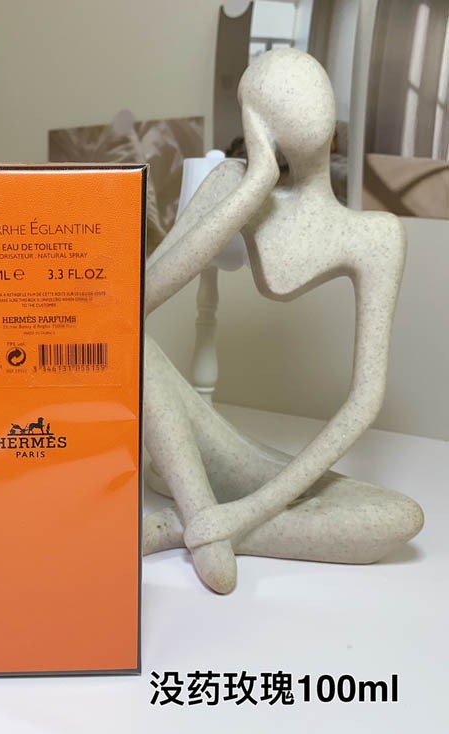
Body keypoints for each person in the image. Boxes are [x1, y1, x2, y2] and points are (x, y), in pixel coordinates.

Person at [143, 48, 423, 593]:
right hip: (197, 444)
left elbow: (365, 400)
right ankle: (199, 505)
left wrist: (244, 514)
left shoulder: (377, 235)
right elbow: (134, 303)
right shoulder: (232, 185)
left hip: (245, 473)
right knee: (124, 338)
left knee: (401, 518)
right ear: (256, 125)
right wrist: (255, 182)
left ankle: (192, 523)